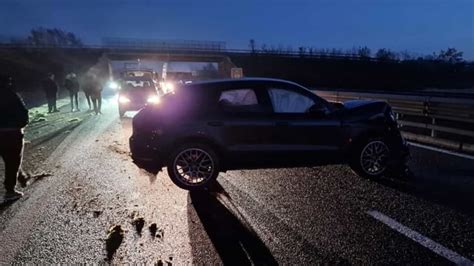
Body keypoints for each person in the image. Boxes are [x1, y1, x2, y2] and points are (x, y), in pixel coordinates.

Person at [0, 75, 29, 201]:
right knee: (12, 161)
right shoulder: (11, 95)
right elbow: (23, 114)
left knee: (10, 159)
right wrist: (21, 124)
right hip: (10, 133)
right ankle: (10, 191)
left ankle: (21, 176)